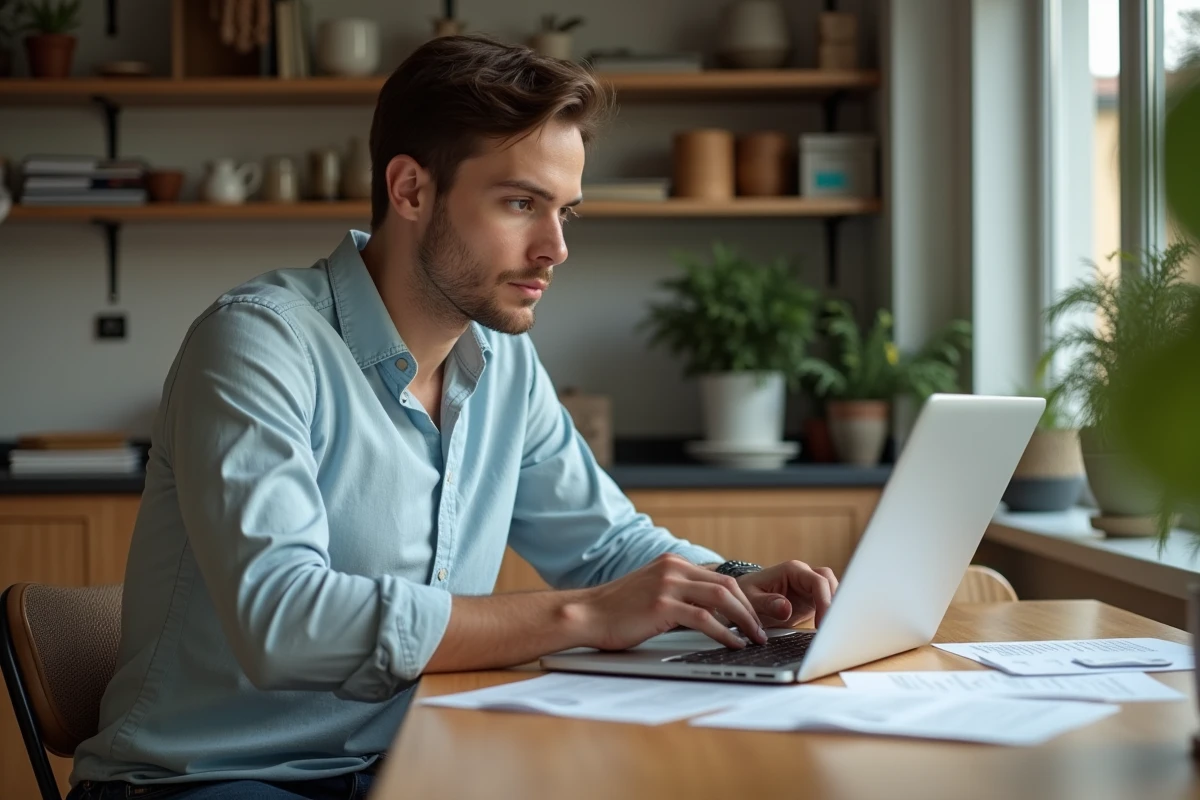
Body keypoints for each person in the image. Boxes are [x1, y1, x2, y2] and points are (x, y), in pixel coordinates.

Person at [67, 35, 839, 800]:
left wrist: (739, 585)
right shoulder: (256, 343)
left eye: (566, 211)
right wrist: (585, 615)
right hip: (209, 780)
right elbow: (285, 623)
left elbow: (607, 548)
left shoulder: (503, 363)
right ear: (410, 190)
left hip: (413, 763)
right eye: (520, 204)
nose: (556, 248)